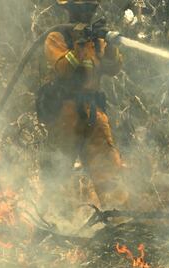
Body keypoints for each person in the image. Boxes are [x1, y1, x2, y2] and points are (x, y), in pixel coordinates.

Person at [39, 0, 129, 212]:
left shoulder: (98, 41)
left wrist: (111, 47)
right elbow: (63, 68)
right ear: (69, 9)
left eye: (89, 8)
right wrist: (79, 43)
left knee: (107, 169)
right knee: (57, 171)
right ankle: (51, 222)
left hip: (93, 113)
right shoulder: (57, 37)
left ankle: (117, 222)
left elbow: (113, 68)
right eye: (81, 8)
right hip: (66, 114)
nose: (85, 13)